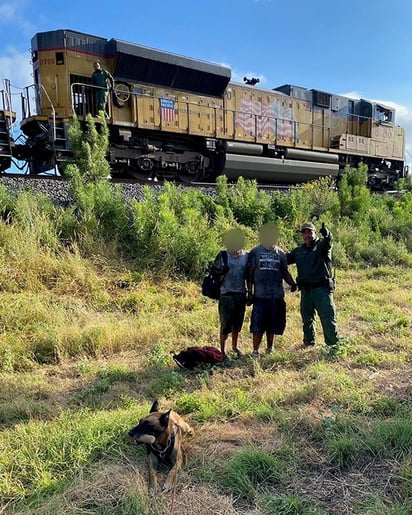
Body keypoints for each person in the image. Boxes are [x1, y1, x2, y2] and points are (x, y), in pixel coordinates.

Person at [247, 222, 297, 357]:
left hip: (276, 296)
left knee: (272, 324)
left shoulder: (280, 253)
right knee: (257, 325)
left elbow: (285, 272)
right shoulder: (255, 252)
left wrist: (292, 283)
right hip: (260, 296)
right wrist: (249, 292)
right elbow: (250, 273)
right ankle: (255, 351)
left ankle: (270, 348)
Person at [287, 222, 340, 350]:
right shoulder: (299, 251)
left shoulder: (321, 246)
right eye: (304, 233)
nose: (307, 235)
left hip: (321, 290)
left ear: (315, 233)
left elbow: (328, 243)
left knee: (328, 318)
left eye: (309, 232)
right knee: (307, 319)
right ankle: (308, 343)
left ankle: (333, 346)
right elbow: (284, 260)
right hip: (306, 291)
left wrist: (327, 235)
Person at [211, 228, 249, 361]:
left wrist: (250, 292)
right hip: (225, 294)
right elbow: (214, 273)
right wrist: (221, 272)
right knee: (225, 324)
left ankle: (235, 347)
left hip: (240, 294)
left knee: (237, 324)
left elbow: (249, 276)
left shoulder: (246, 256)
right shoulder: (223, 255)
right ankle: (222, 351)